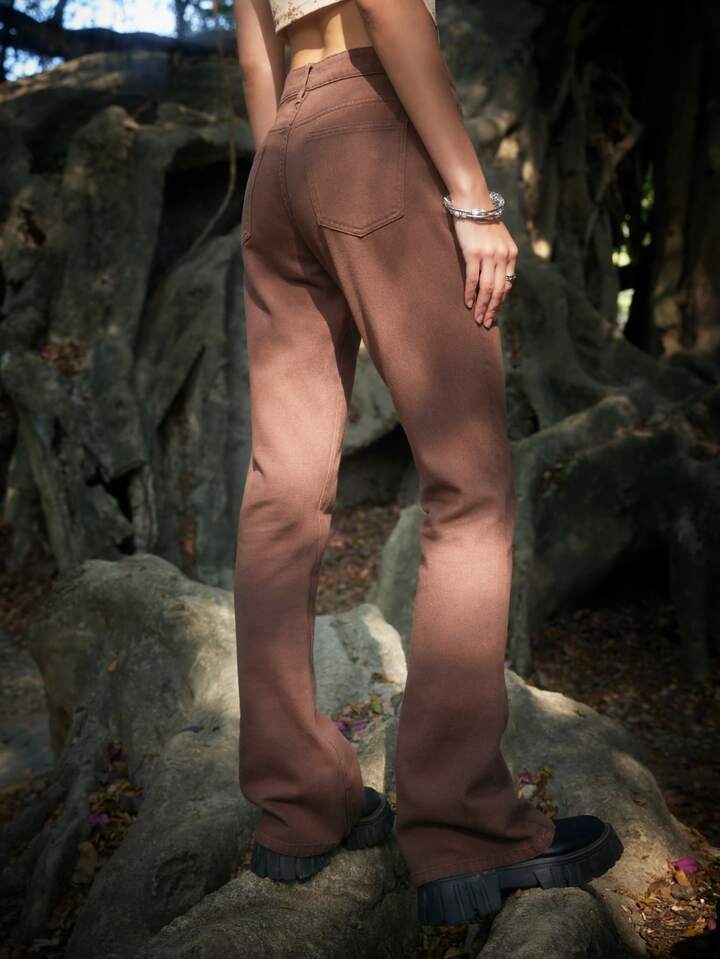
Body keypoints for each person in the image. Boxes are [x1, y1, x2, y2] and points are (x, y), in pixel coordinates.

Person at [232, 0, 623, 926]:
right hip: (372, 131)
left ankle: (297, 807)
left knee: (280, 497)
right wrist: (472, 198)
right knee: (467, 487)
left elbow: (255, 61)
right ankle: (463, 827)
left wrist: (293, 165)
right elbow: (391, 8)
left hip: (278, 155)